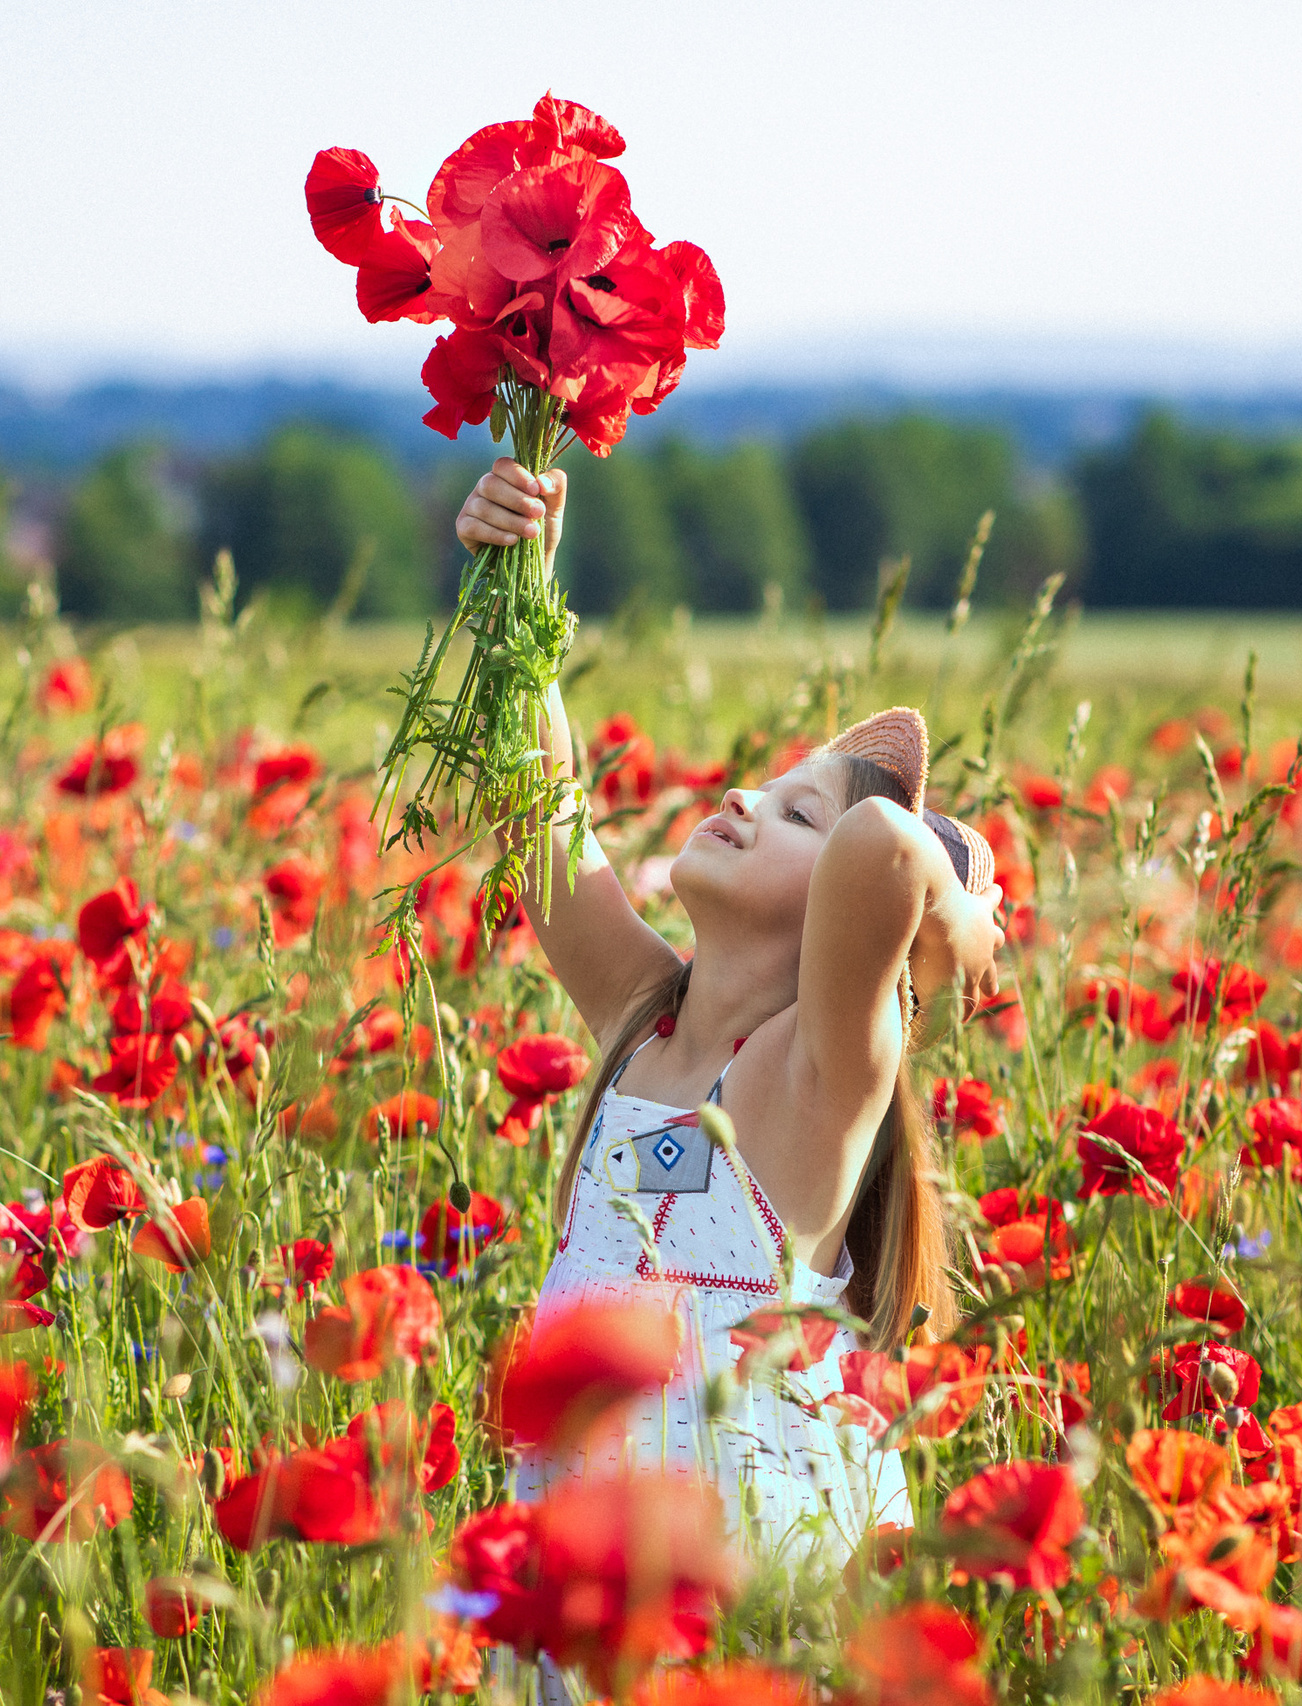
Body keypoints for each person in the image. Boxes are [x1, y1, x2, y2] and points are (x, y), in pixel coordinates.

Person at [456, 456, 1008, 1577]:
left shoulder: (812, 1076)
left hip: (730, 1563)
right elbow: (536, 809)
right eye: (760, 786)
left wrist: (947, 915)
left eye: (794, 807)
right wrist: (518, 582)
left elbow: (882, 845)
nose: (741, 799)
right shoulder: (643, 1017)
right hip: (581, 1539)